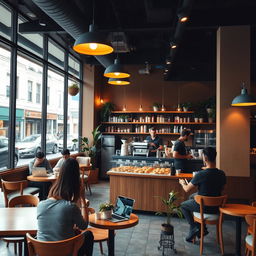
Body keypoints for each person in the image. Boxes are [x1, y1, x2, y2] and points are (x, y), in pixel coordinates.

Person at [37, 158, 94, 256]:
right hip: (65, 252)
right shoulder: (70, 207)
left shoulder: (40, 205)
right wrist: (83, 199)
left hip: (43, 252)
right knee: (88, 235)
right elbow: (84, 226)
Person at [178, 147, 226, 242]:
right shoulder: (222, 174)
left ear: (205, 158)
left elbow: (187, 189)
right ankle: (201, 227)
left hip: (203, 207)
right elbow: (222, 189)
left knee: (183, 206)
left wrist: (182, 183)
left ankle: (194, 227)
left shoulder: (201, 174)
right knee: (192, 196)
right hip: (217, 207)